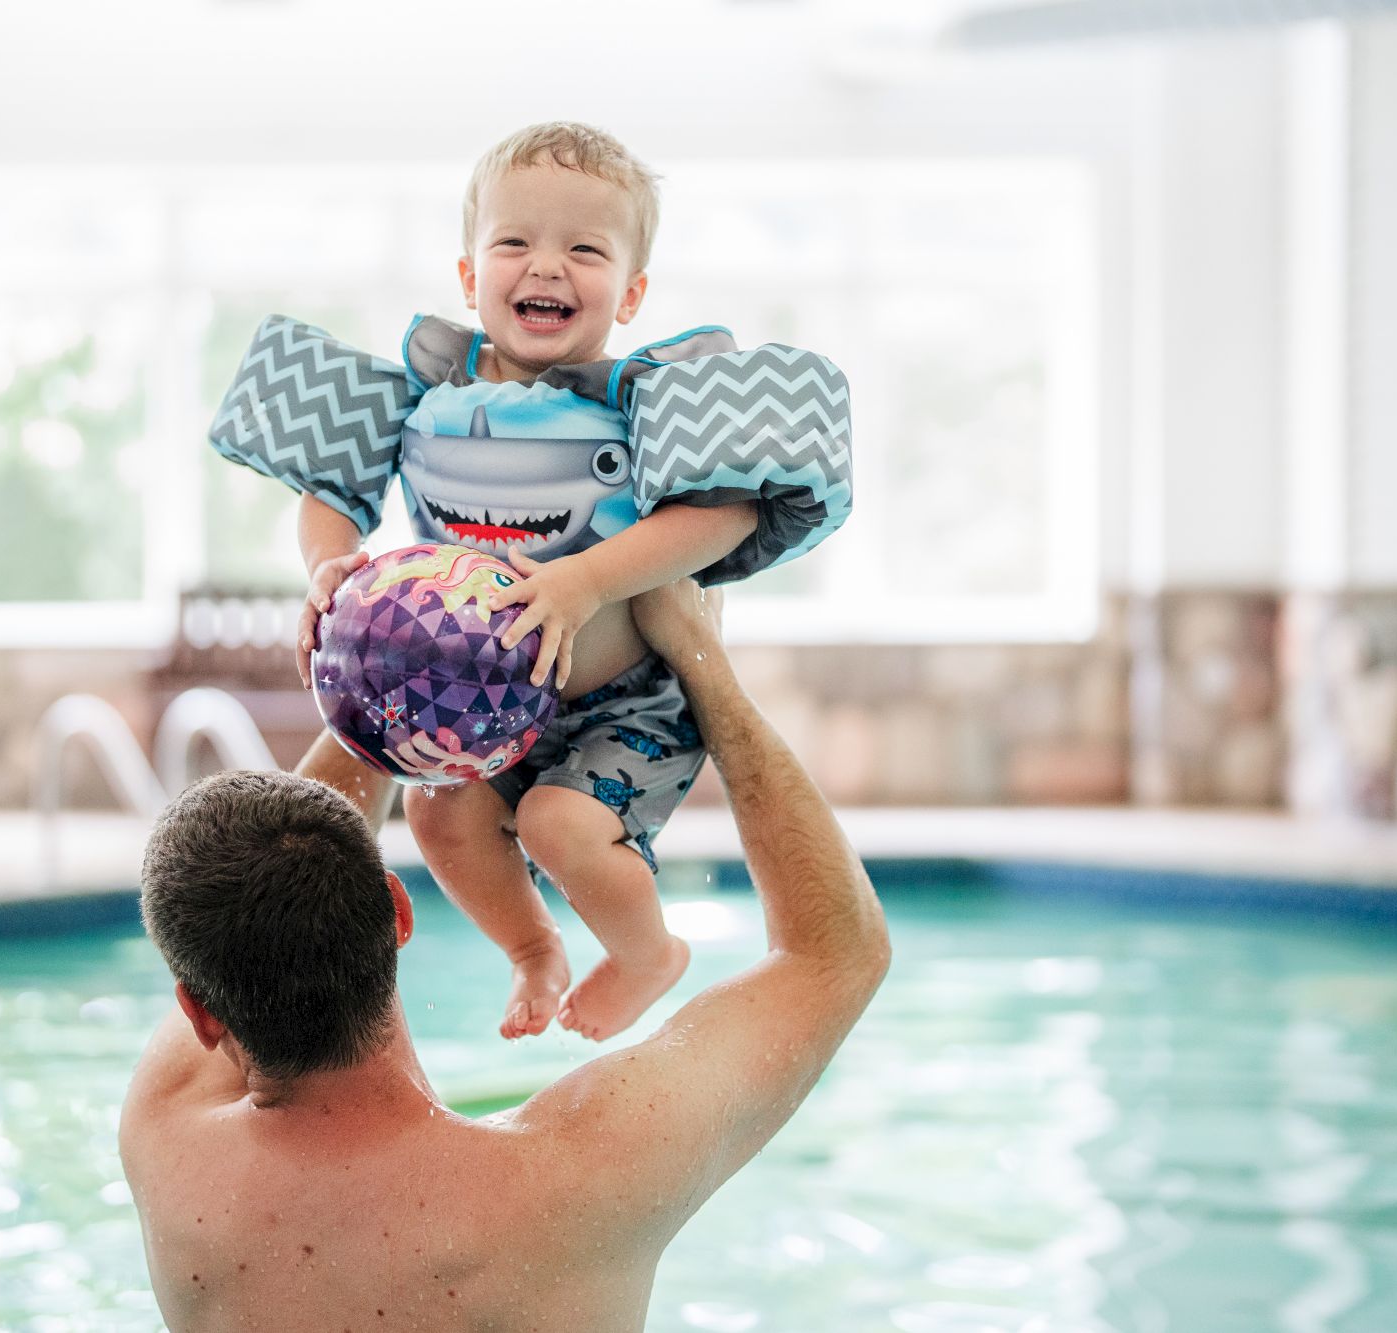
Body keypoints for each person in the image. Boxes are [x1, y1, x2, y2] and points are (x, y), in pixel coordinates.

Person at [209, 122, 854, 1042]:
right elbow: (328, 493)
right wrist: (328, 567)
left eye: (584, 249)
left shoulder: (641, 398)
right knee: (438, 817)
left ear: (630, 293)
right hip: (478, 706)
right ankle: (531, 948)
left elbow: (729, 514)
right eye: (514, 242)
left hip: (623, 704)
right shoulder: (425, 394)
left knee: (560, 825)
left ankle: (645, 953)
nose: (545, 266)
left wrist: (586, 582)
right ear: (470, 276)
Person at [123, 578, 890, 1332]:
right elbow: (837, 954)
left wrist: (387, 677)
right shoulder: (574, 1178)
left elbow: (258, 896)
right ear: (397, 911)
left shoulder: (166, 1143)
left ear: (200, 1011)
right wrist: (702, 660)